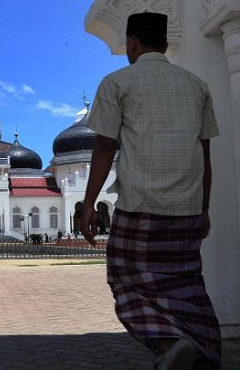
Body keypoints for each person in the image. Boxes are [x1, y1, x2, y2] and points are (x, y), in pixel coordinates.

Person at [81, 12, 221, 370]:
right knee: (187, 284)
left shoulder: (118, 82)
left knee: (126, 282)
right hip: (187, 208)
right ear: (165, 42)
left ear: (131, 42)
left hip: (140, 207)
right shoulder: (196, 85)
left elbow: (105, 146)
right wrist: (203, 208)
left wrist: (89, 203)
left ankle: (169, 343)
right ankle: (204, 354)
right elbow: (204, 153)